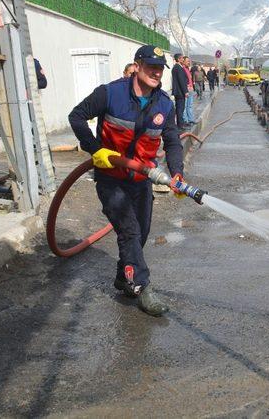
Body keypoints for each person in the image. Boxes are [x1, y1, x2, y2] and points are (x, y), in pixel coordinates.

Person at [68, 45, 186, 317]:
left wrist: (176, 171)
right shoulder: (110, 93)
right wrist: (95, 149)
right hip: (111, 178)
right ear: (137, 66)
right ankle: (141, 287)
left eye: (160, 69)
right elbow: (76, 116)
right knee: (130, 230)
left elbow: (172, 141)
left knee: (140, 233)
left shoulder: (164, 104)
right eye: (151, 67)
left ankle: (124, 276)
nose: (156, 73)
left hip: (141, 178)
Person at [171, 53, 189, 128]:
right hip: (180, 92)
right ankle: (180, 125)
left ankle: (181, 123)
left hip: (179, 91)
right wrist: (185, 91)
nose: (183, 59)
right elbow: (181, 81)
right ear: (178, 59)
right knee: (180, 108)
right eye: (182, 58)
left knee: (180, 108)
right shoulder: (178, 68)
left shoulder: (177, 67)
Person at [182, 56, 195, 126]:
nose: (188, 62)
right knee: (185, 106)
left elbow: (190, 80)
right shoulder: (182, 69)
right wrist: (186, 89)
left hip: (191, 89)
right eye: (187, 61)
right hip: (186, 90)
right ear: (183, 61)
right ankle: (185, 120)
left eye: (189, 61)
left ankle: (191, 120)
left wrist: (192, 87)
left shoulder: (188, 69)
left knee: (190, 105)